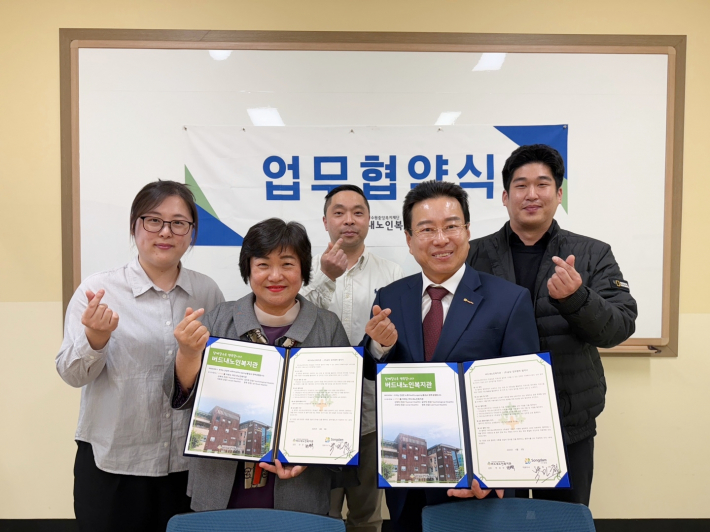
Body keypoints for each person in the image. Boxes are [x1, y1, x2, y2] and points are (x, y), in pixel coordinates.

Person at [363, 181, 540, 532]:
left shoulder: (509, 299)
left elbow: (524, 394)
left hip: (479, 482)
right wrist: (379, 347)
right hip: (408, 478)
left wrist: (498, 470)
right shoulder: (391, 296)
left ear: (468, 231)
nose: (441, 239)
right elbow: (372, 369)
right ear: (409, 239)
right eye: (427, 229)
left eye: (451, 226)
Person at [467, 144, 637, 506]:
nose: (531, 194)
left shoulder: (593, 253)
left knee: (563, 522)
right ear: (505, 196)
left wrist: (577, 298)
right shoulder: (472, 255)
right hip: (492, 423)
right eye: (521, 185)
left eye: (542, 184)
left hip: (567, 421)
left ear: (559, 194)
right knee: (495, 522)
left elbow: (619, 326)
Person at [56, 180, 225, 532]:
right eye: (154, 220)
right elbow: (71, 374)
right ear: (135, 226)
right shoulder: (98, 290)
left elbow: (218, 378)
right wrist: (95, 339)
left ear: (192, 233)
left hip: (186, 466)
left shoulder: (207, 292)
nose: (165, 232)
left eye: (179, 223)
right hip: (114, 462)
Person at [166, 218, 352, 514]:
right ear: (248, 269)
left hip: (299, 486)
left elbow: (343, 410)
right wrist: (188, 354)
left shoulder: (327, 327)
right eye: (263, 264)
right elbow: (180, 395)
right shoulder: (219, 319)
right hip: (220, 483)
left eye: (287, 264)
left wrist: (311, 455)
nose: (275, 276)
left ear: (303, 269)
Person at [301, 185, 403, 532]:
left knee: (367, 516)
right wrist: (325, 277)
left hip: (371, 413)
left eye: (358, 212)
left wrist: (382, 343)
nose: (349, 220)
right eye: (339, 212)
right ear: (325, 221)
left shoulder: (392, 273)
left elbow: (397, 345)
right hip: (316, 413)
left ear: (369, 220)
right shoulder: (302, 272)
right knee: (319, 515)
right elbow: (293, 323)